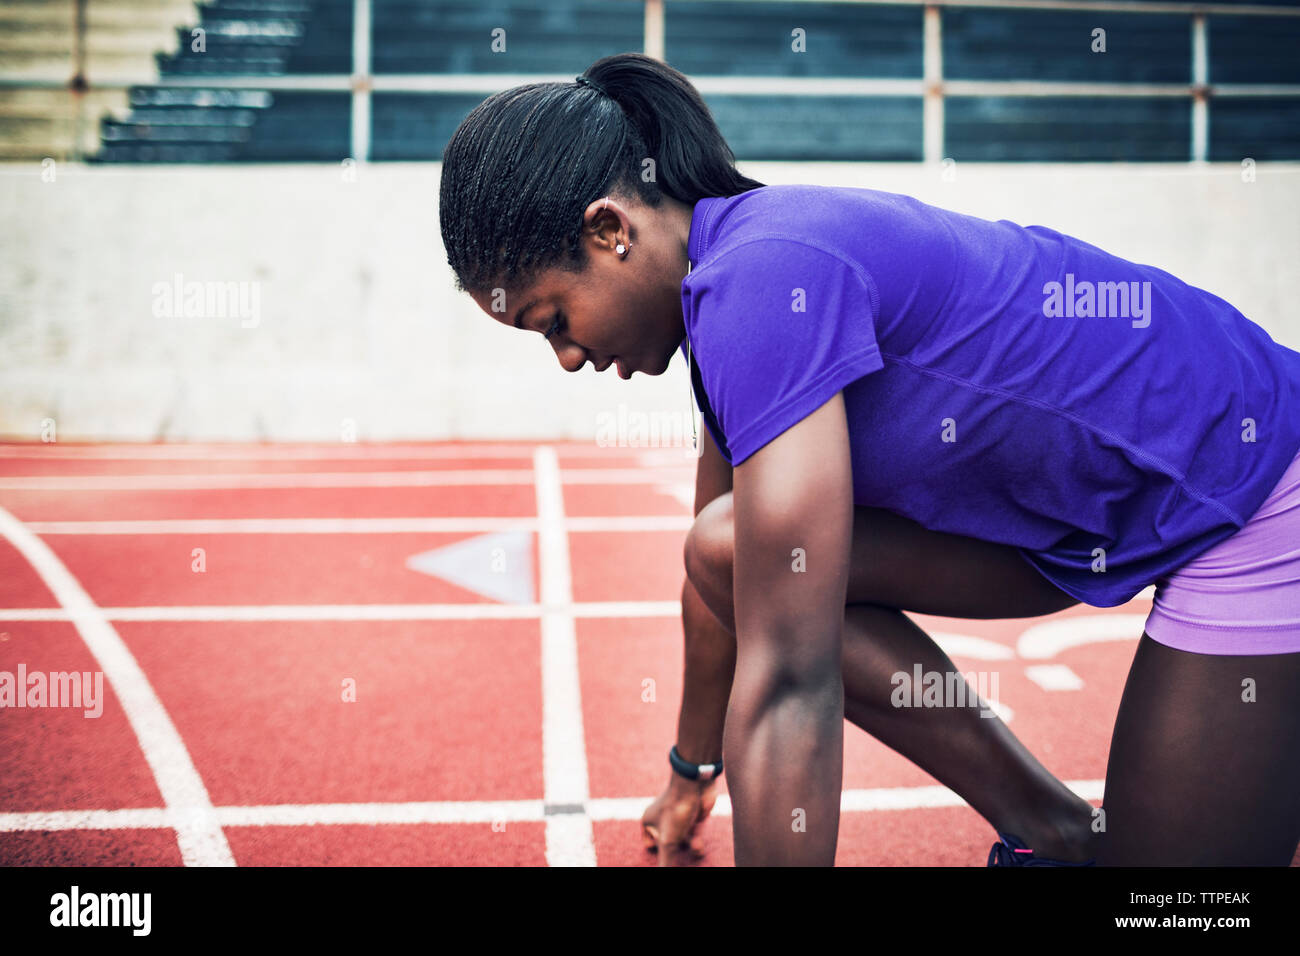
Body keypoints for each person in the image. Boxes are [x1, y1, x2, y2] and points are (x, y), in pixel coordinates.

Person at [438, 52, 1300, 867]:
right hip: (1095, 524)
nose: (568, 358)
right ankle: (1052, 827)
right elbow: (718, 594)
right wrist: (688, 773)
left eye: (551, 321)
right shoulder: (733, 301)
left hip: (1252, 485)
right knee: (729, 549)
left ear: (609, 229)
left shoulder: (766, 283)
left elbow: (788, 680)